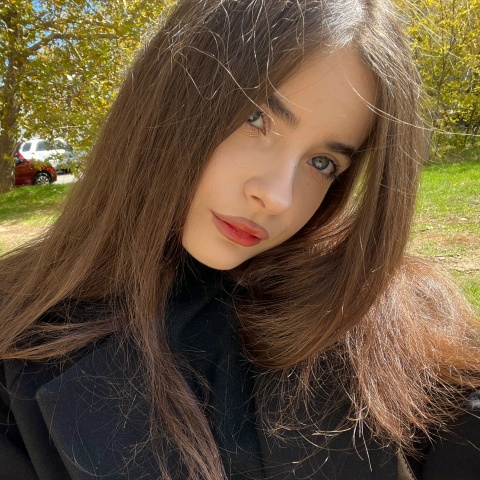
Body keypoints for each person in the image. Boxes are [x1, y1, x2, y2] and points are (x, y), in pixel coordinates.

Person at [1, 0, 479, 478]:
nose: (277, 197)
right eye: (255, 118)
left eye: (322, 163)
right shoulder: (18, 340)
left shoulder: (393, 317)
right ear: (169, 93)